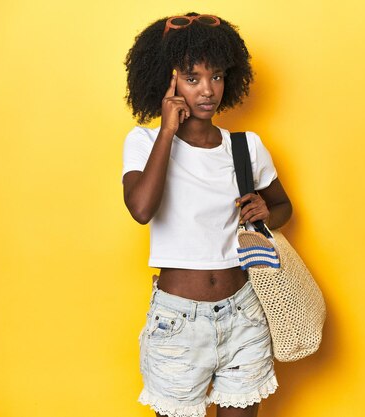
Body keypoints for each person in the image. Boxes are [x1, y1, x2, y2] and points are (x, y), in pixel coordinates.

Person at [121, 12, 292, 417]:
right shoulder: (144, 140)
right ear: (168, 80)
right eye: (192, 78)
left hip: (244, 313)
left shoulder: (244, 146)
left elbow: (283, 207)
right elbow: (141, 209)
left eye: (215, 76)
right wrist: (166, 130)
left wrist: (268, 211)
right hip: (177, 324)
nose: (207, 90)